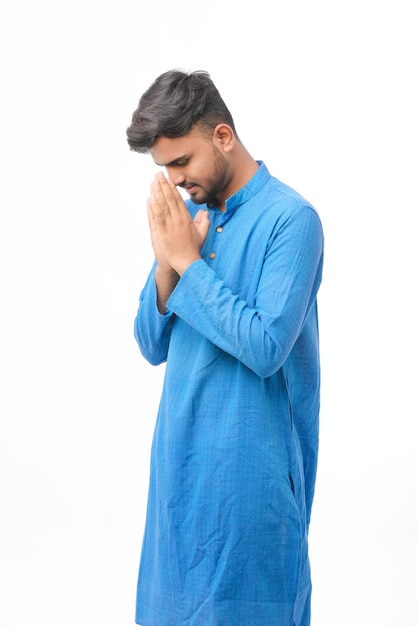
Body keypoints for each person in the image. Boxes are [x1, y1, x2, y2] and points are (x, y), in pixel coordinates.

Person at [126, 69, 324, 626]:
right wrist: (168, 260)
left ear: (222, 137)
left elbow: (265, 346)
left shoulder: (292, 220)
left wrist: (187, 261)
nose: (175, 180)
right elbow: (150, 342)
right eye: (164, 169)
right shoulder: (189, 216)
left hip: (250, 489)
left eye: (182, 162)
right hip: (178, 479)